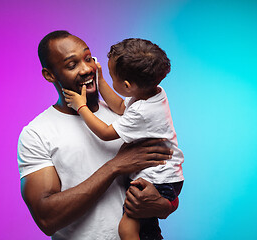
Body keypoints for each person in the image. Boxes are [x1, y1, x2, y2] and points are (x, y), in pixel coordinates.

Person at [17, 31, 178, 240]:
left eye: (87, 58)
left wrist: (165, 205)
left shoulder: (129, 113)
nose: (86, 69)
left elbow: (165, 174)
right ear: (50, 75)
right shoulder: (37, 133)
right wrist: (114, 166)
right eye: (72, 65)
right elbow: (47, 219)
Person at [63, 38, 184, 239]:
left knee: (127, 229)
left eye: (111, 76)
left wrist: (80, 106)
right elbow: (121, 106)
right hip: (168, 177)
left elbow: (105, 133)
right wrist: (100, 81)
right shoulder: (153, 93)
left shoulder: (142, 113)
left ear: (128, 86)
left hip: (159, 180)